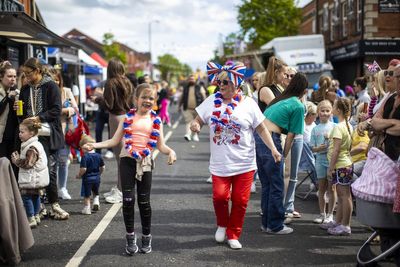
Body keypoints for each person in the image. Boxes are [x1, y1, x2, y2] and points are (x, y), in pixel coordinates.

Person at [190, 61, 281, 249]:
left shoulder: (249, 104)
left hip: (244, 163)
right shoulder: (211, 101)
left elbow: (262, 129)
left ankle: (233, 233)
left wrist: (273, 148)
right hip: (220, 163)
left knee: (240, 201)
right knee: (220, 197)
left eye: (225, 82)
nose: (221, 86)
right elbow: (198, 119)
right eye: (219, 82)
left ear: (236, 84)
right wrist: (196, 125)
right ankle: (222, 224)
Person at [83, 83, 176, 255]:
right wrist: (94, 145)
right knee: (127, 200)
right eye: (144, 97)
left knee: (144, 202)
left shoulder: (156, 120)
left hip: (145, 162)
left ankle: (146, 236)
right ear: (135, 99)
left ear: (155, 101)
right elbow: (113, 141)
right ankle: (130, 237)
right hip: (127, 160)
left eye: (151, 98)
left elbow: (161, 146)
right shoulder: (128, 118)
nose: (148, 101)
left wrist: (170, 151)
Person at [15, 58, 69, 220]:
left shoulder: (51, 86)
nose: (26, 77)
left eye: (29, 73)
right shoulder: (25, 89)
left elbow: (56, 110)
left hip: (48, 134)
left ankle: (54, 204)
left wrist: (38, 118)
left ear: (38, 71)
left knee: (49, 170)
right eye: (24, 74)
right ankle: (40, 207)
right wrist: (18, 111)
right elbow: (22, 112)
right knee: (32, 170)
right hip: (30, 136)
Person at [257, 72, 308, 235]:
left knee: (267, 185)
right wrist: (283, 154)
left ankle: (266, 224)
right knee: (277, 185)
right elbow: (292, 135)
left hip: (259, 139)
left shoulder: (280, 100)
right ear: (304, 90)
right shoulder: (298, 105)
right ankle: (275, 225)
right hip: (271, 139)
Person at [102, 58, 135, 204]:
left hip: (115, 118)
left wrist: (98, 98)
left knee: (120, 158)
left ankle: (122, 190)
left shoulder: (110, 83)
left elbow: (108, 104)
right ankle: (120, 187)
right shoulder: (127, 82)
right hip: (127, 117)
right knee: (124, 156)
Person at [322, 97, 353, 235]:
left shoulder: (338, 127)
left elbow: (336, 150)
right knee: (342, 196)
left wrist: (330, 168)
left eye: (333, 106)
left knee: (344, 196)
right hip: (345, 164)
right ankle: (339, 222)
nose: (332, 108)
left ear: (338, 110)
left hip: (341, 165)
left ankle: (345, 225)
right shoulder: (347, 125)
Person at [11, 117, 49, 228]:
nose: (20, 134)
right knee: (35, 196)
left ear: (31, 133)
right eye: (19, 131)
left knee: (26, 197)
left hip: (31, 178)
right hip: (35, 177)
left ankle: (31, 218)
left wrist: (17, 161)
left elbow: (28, 164)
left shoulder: (32, 148)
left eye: (22, 132)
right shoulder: (34, 144)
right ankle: (36, 216)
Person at [52, 69, 78, 200]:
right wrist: (65, 110)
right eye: (53, 79)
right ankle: (51, 191)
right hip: (49, 132)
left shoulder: (66, 91)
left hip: (64, 132)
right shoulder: (45, 93)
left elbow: (75, 109)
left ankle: (62, 188)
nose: (55, 82)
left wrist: (64, 110)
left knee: (63, 161)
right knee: (51, 163)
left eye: (57, 79)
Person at [310, 100, 336, 224]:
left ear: (331, 112)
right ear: (318, 112)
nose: (325, 113)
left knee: (332, 189)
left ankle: (330, 215)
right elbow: (312, 147)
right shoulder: (315, 129)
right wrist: (318, 148)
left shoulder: (334, 126)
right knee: (321, 188)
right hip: (320, 160)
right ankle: (322, 214)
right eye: (322, 110)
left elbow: (338, 144)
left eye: (327, 111)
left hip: (331, 160)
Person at [76, 135, 105, 215]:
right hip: (97, 178)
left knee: (87, 195)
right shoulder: (98, 156)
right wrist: (99, 173)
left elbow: (83, 169)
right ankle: (96, 201)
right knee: (96, 192)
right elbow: (103, 167)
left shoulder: (85, 157)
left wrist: (79, 175)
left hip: (87, 179)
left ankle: (87, 208)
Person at [0, 61, 18, 175]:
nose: (13, 79)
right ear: (1, 77)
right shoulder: (5, 94)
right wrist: (7, 98)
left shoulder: (14, 92)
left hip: (12, 137)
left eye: (15, 76)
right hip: (2, 138)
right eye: (9, 76)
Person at [179, 74, 206, 142]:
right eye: (190, 79)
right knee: (188, 121)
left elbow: (204, 96)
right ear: (188, 80)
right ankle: (188, 134)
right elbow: (181, 97)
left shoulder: (199, 87)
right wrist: (179, 106)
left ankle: (195, 135)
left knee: (196, 123)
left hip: (198, 108)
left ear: (195, 80)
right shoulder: (185, 88)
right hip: (187, 108)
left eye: (193, 79)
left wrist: (205, 106)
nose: (191, 80)